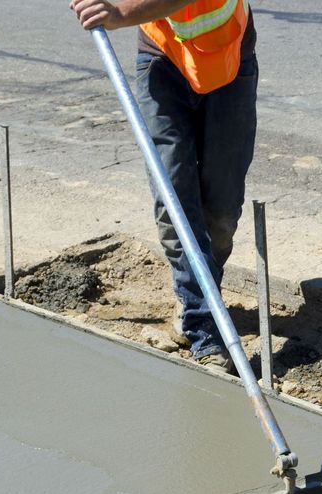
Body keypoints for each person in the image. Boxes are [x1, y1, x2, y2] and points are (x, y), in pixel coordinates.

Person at [69, 0, 257, 372]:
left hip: (229, 60)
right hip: (161, 61)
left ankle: (199, 294)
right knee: (174, 200)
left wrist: (121, 14)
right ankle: (203, 326)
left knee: (220, 213)